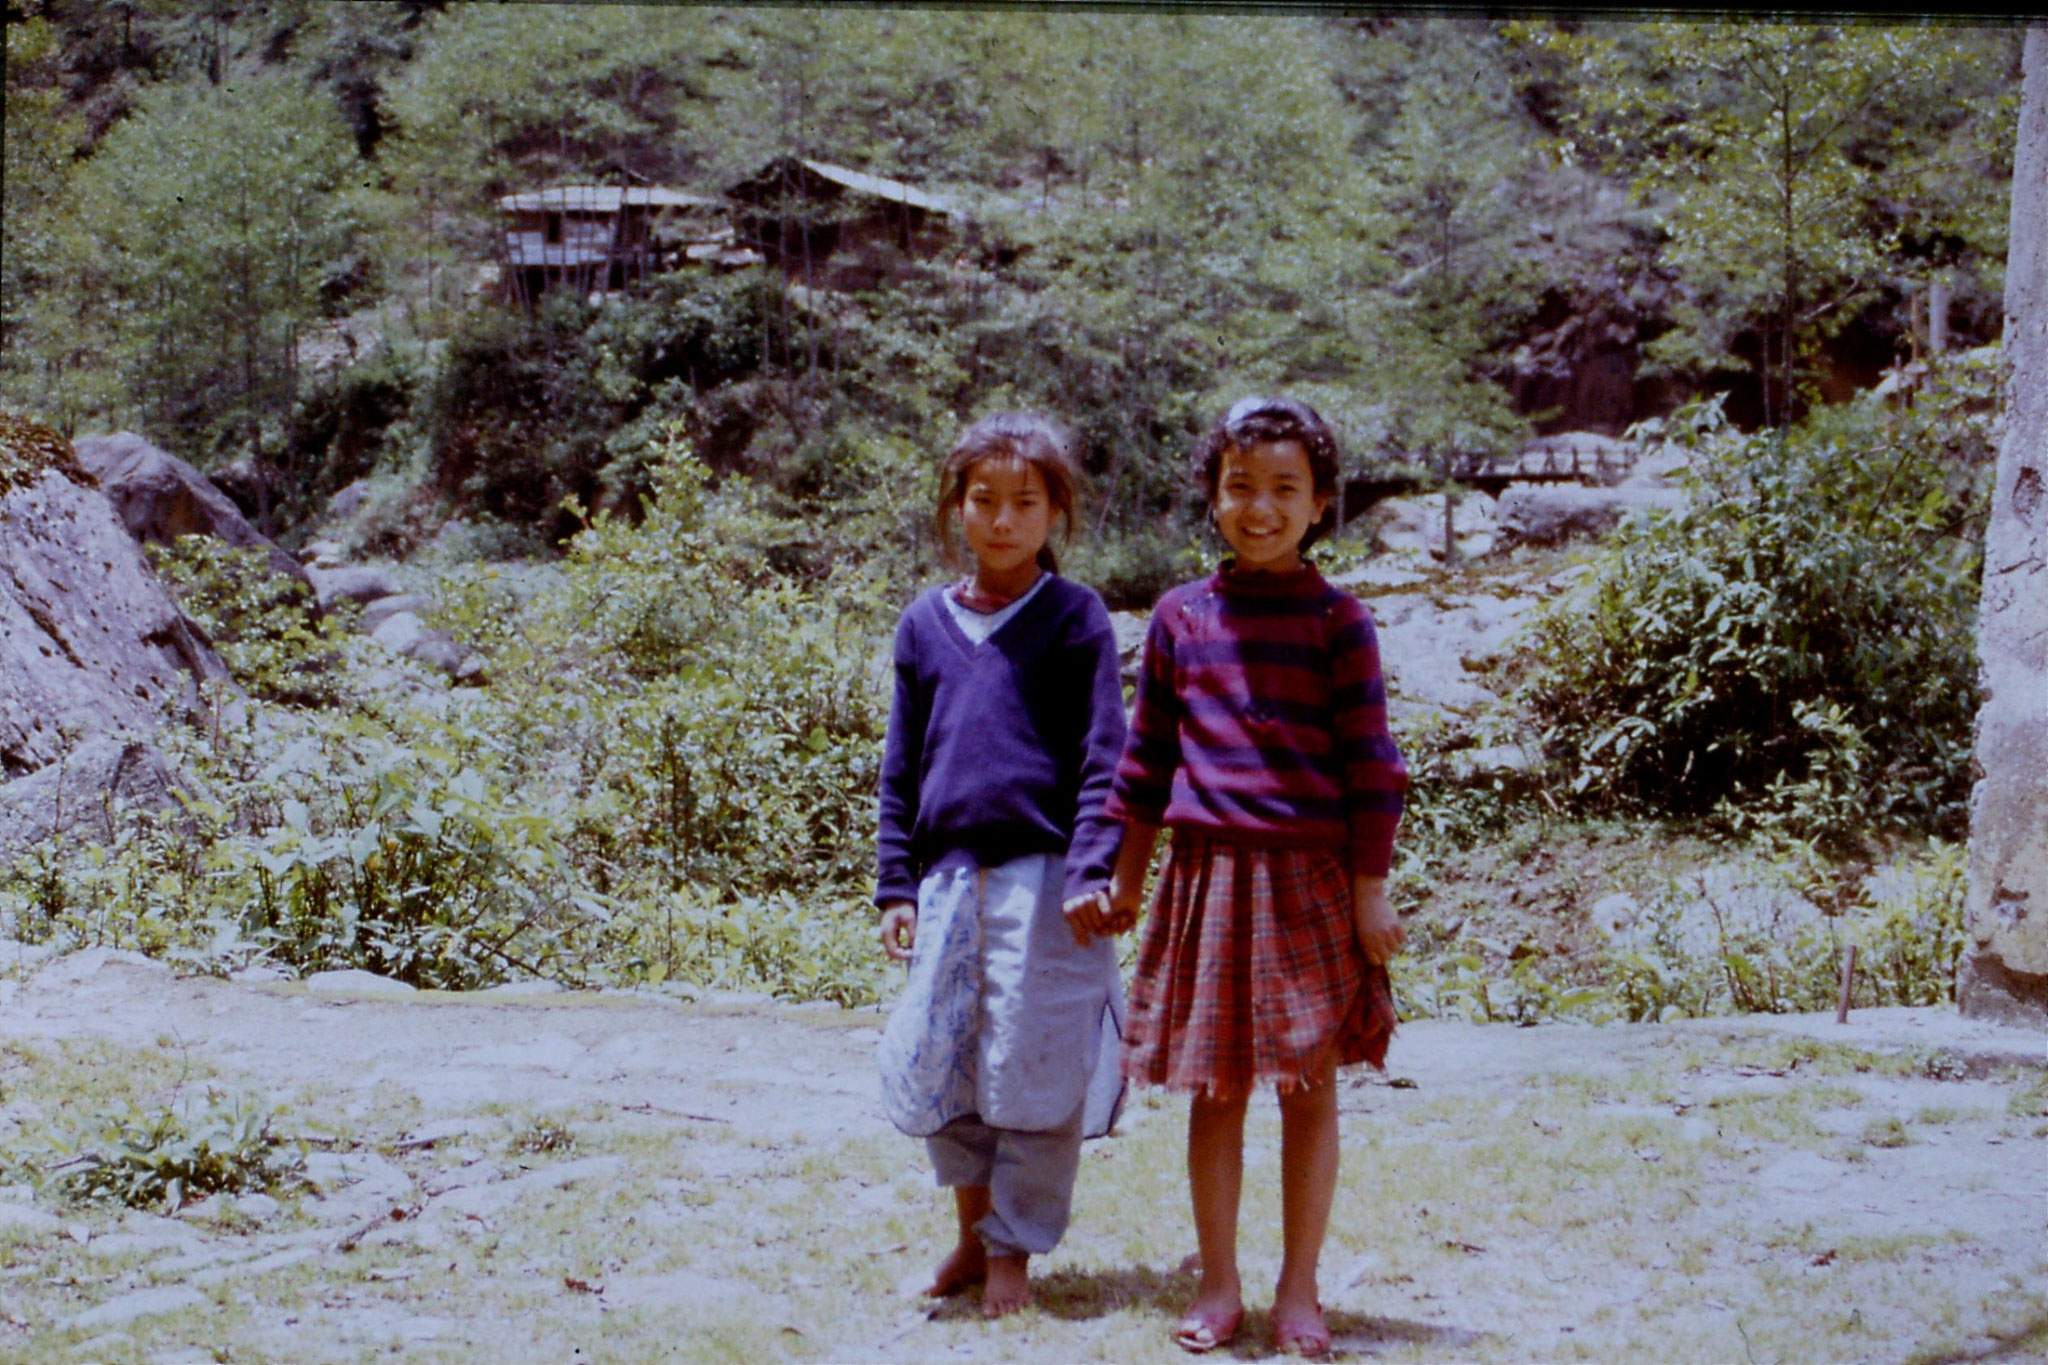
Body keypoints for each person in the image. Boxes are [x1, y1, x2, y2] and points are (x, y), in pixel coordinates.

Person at [1102, 396, 1409, 1358]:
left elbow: (1371, 766)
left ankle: (1301, 1289)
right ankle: (1220, 1282)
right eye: (1242, 486)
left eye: (1286, 489)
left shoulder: (1340, 622)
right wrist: (1123, 881)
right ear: (1212, 495)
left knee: (1310, 1086)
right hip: (1205, 880)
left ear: (1320, 504)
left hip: (1309, 879)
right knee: (1217, 1090)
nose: (1261, 507)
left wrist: (1371, 889)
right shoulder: (1179, 618)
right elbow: (1144, 765)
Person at [874, 411, 1130, 1319]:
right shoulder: (922, 626)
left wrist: (1097, 869)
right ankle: (969, 1235)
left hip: (1049, 881)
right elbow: (900, 766)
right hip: (947, 883)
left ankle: (1015, 1247)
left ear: (1056, 511)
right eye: (985, 500)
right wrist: (895, 882)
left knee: (1034, 1066)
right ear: (957, 508)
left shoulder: (1075, 618)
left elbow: (1108, 757)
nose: (1004, 520)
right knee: (952, 1064)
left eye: (1026, 502)